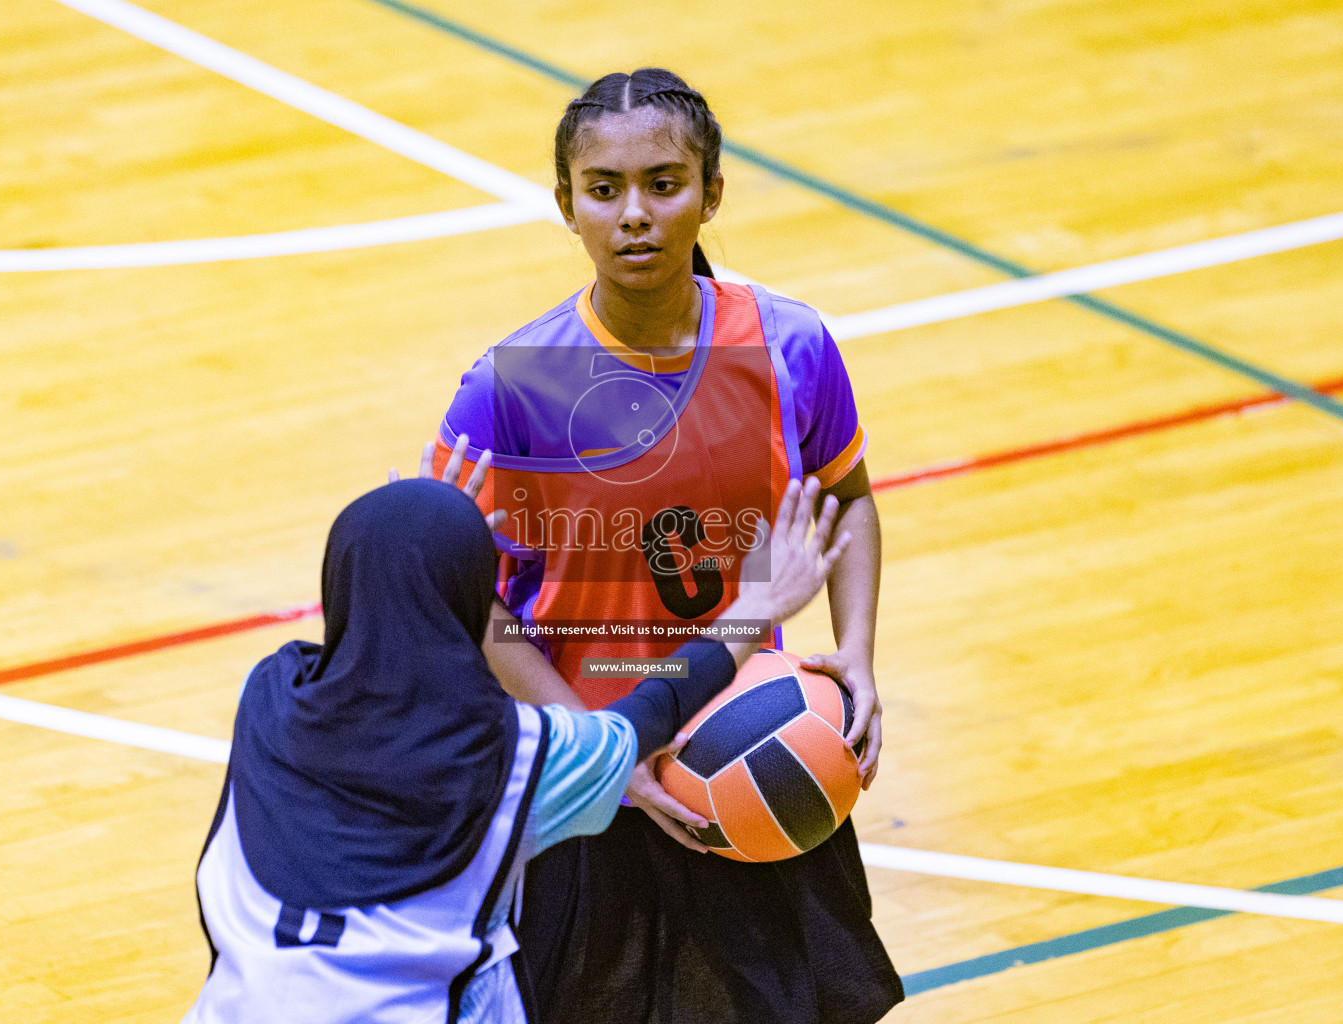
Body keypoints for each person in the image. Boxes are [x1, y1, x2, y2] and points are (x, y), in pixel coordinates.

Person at [435, 69, 903, 1023]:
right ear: (567, 206)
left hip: (750, 743)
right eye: (604, 190)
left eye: (664, 182)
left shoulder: (791, 347)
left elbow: (847, 500)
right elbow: (469, 603)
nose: (635, 215)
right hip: (584, 765)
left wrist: (853, 655)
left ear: (713, 191)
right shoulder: (507, 389)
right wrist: (605, 758)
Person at [180, 447, 850, 1024]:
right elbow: (649, 713)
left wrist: (413, 534)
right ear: (472, 604)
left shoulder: (266, 693)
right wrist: (756, 609)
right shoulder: (521, 759)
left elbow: (384, 595)